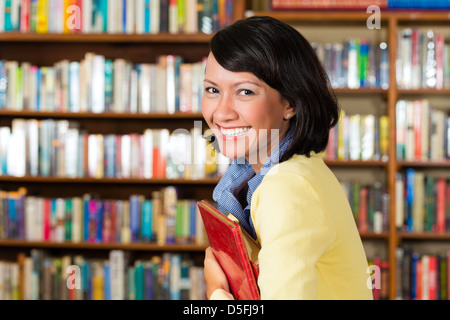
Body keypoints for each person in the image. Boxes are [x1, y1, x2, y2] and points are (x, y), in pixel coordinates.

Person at [201, 15, 374, 300]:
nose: (221, 113)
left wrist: (216, 292)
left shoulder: (287, 187)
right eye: (212, 90)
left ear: (290, 104)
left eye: (245, 91)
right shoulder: (278, 175)